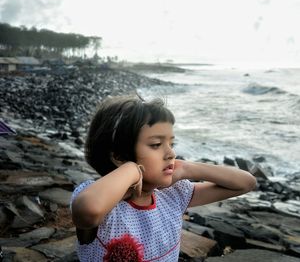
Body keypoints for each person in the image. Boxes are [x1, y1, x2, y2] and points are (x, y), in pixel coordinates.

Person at [71, 95, 256, 261]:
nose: (171, 153)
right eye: (156, 144)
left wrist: (187, 168)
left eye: (171, 143)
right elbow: (89, 210)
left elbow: (246, 183)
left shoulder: (173, 195)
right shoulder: (104, 206)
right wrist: (133, 170)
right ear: (119, 157)